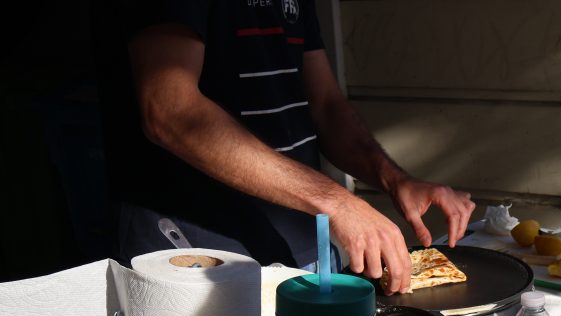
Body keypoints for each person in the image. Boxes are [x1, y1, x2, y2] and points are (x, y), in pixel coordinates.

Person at [93, 0, 474, 294]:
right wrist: (337, 201)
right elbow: (169, 109)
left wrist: (395, 179)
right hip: (196, 260)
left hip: (299, 252)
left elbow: (324, 104)